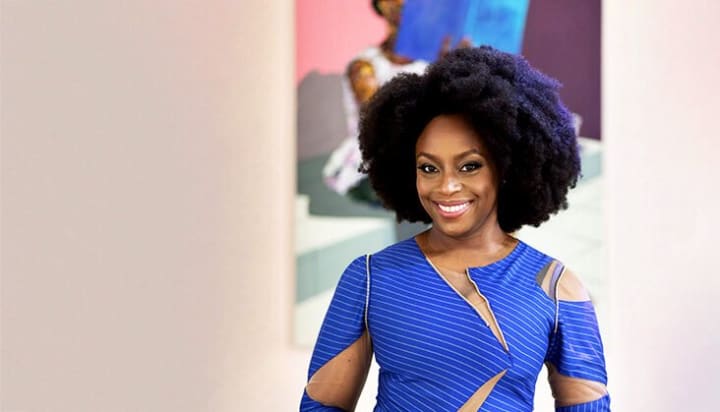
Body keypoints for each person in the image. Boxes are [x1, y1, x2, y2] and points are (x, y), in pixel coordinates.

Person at [301, 46, 610, 411]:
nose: (446, 186)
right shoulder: (370, 280)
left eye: (469, 166)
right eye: (429, 168)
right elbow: (321, 406)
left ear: (507, 168)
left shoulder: (556, 287)